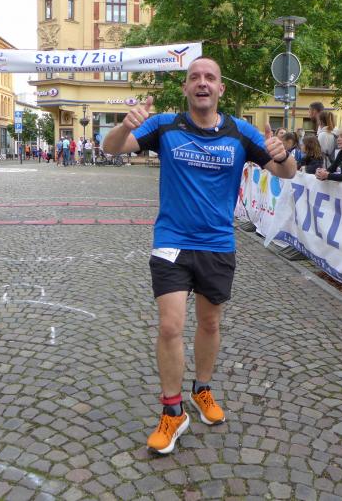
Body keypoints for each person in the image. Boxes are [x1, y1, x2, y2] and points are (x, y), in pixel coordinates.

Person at [102, 56, 296, 455]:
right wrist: (124, 126)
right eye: (195, 77)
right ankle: (172, 411)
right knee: (170, 326)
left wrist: (281, 154)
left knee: (209, 323)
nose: (202, 83)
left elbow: (286, 173)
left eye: (210, 77)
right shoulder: (165, 125)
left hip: (218, 244)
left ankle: (202, 389)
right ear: (186, 88)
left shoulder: (240, 132)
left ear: (220, 88)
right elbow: (110, 149)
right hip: (172, 240)